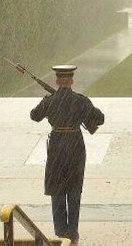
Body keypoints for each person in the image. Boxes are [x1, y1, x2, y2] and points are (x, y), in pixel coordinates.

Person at [30, 65, 104, 244]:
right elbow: (100, 118)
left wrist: (45, 102)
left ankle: (61, 232)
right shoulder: (81, 101)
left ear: (56, 81)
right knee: (74, 190)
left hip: (56, 147)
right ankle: (73, 232)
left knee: (57, 190)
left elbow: (34, 116)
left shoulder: (50, 100)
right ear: (71, 81)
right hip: (75, 147)